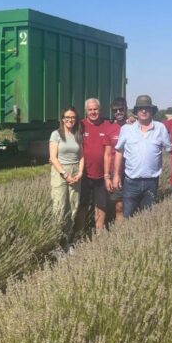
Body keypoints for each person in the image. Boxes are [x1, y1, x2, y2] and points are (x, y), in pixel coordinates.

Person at [113, 95, 171, 218]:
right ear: (136, 112)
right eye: (141, 108)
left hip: (151, 182)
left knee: (147, 218)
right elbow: (119, 152)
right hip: (131, 182)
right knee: (128, 216)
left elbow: (171, 149)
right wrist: (116, 175)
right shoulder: (126, 129)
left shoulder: (160, 128)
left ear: (152, 111)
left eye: (147, 108)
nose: (144, 111)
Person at [49, 107, 85, 245]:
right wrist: (64, 174)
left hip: (75, 171)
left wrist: (80, 172)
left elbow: (81, 156)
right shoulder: (56, 134)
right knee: (60, 207)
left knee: (73, 207)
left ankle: (66, 242)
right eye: (67, 117)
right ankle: (56, 243)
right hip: (60, 172)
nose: (70, 120)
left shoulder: (77, 134)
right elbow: (53, 157)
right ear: (62, 119)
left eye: (73, 117)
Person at [75, 98, 110, 234]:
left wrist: (131, 120)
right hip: (84, 174)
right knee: (82, 205)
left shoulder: (107, 124)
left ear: (99, 110)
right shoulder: (80, 125)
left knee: (101, 205)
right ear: (86, 111)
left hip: (101, 175)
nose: (93, 112)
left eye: (95, 109)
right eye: (90, 110)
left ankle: (99, 234)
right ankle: (79, 233)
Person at [103, 97, 128, 222]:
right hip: (116, 173)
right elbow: (107, 154)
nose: (118, 112)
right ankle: (120, 233)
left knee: (131, 205)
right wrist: (107, 176)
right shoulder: (110, 129)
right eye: (115, 111)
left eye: (121, 109)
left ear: (126, 109)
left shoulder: (134, 126)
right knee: (119, 206)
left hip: (133, 173)